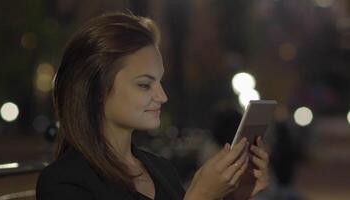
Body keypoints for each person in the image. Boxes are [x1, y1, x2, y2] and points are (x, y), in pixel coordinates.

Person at [36, 11, 269, 200]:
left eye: (160, 81)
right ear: (96, 90)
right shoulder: (64, 182)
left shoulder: (160, 169)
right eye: (145, 85)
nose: (163, 96)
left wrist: (234, 196)